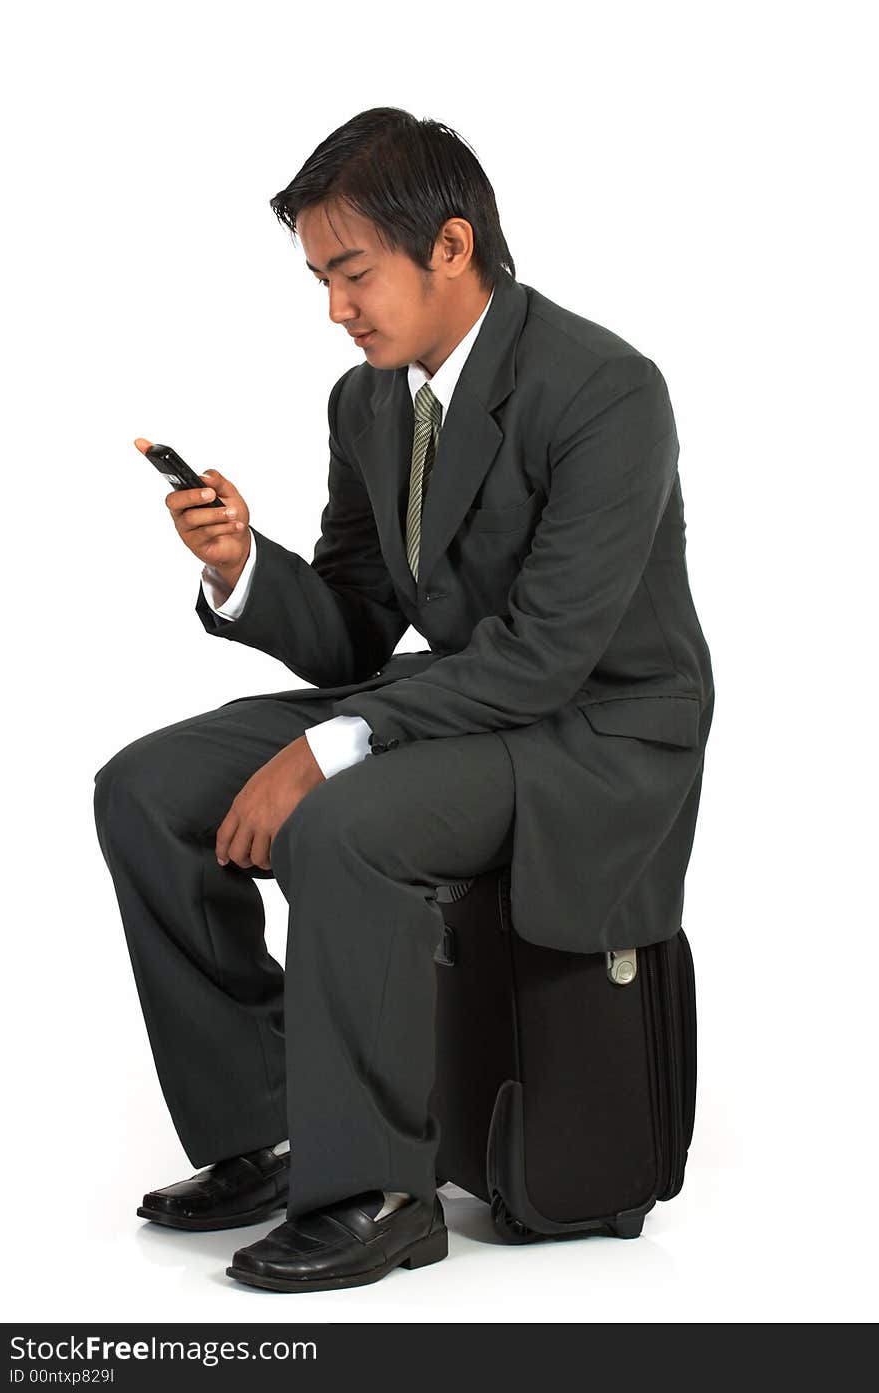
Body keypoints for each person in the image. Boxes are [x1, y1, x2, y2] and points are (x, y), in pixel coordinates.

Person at [93, 106, 714, 1294]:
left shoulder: (607, 390)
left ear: (449, 245)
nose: (336, 307)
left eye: (352, 272)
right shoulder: (368, 402)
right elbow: (355, 628)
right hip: (462, 701)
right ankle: (268, 1129)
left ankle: (378, 1189)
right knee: (146, 791)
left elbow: (545, 657)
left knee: (344, 823)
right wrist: (239, 566)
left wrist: (334, 749)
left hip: (592, 729)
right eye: (321, 278)